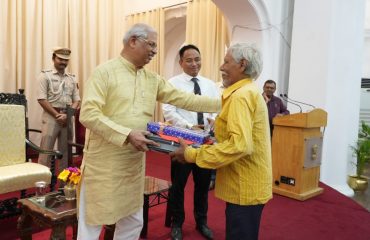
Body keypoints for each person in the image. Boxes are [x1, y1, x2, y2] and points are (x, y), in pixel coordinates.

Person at [77, 23, 220, 240]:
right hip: (104, 163)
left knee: (133, 221)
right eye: (151, 44)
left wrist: (226, 102)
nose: (155, 51)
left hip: (133, 163)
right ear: (133, 41)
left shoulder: (152, 79)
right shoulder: (103, 72)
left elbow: (185, 99)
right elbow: (88, 114)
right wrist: (127, 134)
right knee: (93, 221)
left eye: (156, 46)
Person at [170, 43, 273, 240]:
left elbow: (239, 145)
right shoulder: (246, 91)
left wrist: (192, 154)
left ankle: (201, 221)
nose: (221, 67)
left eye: (226, 62)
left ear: (242, 64)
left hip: (244, 186)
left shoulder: (241, 96)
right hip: (247, 183)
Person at [162, 44, 219, 240]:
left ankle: (201, 222)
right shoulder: (172, 83)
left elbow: (217, 108)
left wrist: (212, 120)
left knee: (203, 186)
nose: (194, 64)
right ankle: (177, 224)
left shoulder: (210, 84)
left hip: (205, 143)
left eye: (197, 59)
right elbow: (168, 110)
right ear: (181, 63)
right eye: (189, 60)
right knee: (178, 185)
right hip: (182, 142)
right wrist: (188, 126)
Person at [37, 47, 80, 173]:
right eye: (60, 59)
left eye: (66, 60)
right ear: (53, 58)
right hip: (51, 116)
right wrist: (57, 115)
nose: (63, 62)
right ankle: (42, 184)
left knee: (66, 154)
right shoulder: (44, 76)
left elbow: (77, 100)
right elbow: (41, 99)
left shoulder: (72, 78)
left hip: (67, 117)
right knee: (46, 151)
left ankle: (63, 186)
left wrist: (67, 115)